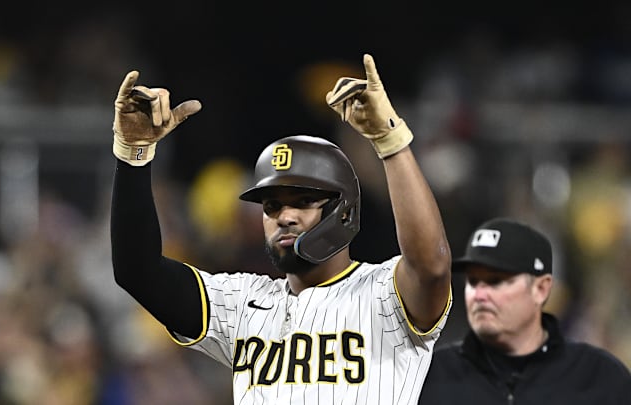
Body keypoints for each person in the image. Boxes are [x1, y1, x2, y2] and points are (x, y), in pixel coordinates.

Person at [109, 53, 453, 404]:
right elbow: (138, 272)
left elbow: (432, 265)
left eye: (302, 201)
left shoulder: (382, 294)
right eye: (272, 205)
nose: (284, 216)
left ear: (343, 209)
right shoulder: (243, 303)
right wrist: (134, 155)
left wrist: (391, 143)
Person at [418, 217, 631, 404]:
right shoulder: (432, 376)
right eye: (473, 281)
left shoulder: (600, 377)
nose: (479, 295)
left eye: (496, 281)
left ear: (541, 289)